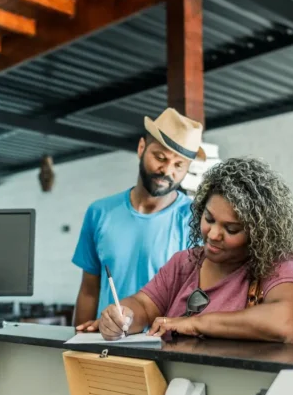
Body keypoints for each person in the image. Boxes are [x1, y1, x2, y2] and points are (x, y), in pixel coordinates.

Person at [79, 157, 293, 344]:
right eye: (209, 219)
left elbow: (290, 323)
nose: (213, 234)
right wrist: (123, 316)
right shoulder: (186, 263)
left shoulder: (283, 263)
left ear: (260, 232)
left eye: (231, 229)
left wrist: (196, 324)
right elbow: (143, 304)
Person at [72, 108, 203, 326]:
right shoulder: (100, 212)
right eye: (160, 157)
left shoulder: (195, 220)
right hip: (108, 338)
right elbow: (88, 291)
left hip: (165, 342)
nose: (167, 170)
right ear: (141, 148)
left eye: (179, 165)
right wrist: (79, 339)